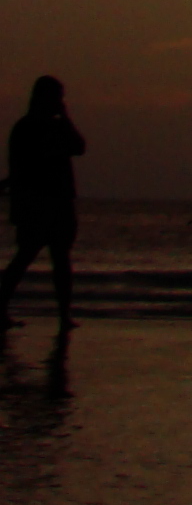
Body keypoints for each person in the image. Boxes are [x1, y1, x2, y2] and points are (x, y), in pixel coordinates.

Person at [2, 78, 80, 328]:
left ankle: (64, 316)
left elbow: (79, 146)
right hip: (37, 203)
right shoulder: (27, 128)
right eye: (57, 97)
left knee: (58, 260)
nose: (60, 102)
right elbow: (23, 168)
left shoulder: (53, 126)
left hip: (58, 202)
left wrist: (65, 119)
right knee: (26, 257)